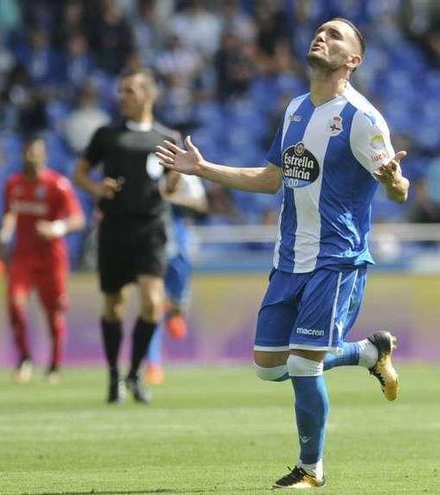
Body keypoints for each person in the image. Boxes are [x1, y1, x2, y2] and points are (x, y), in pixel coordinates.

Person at [155, 18, 407, 489]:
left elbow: (398, 191)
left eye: (336, 36)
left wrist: (394, 181)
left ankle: (312, 469)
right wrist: (202, 168)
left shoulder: (362, 118)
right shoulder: (294, 110)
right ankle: (369, 352)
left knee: (305, 364)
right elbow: (272, 179)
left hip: (336, 258)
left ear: (353, 60)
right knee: (268, 368)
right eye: (320, 31)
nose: (322, 37)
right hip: (290, 259)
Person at [73, 68, 180, 404]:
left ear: (148, 96)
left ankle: (134, 373)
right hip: (115, 228)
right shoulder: (107, 134)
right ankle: (113, 376)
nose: (122, 96)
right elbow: (80, 174)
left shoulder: (167, 138)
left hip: (150, 228)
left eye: (129, 91)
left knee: (151, 302)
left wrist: (176, 179)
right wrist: (96, 188)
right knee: (113, 304)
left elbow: (171, 183)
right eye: (121, 91)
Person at [0, 135, 85, 384]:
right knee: (16, 305)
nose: (30, 157)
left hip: (51, 258)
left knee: (54, 312)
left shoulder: (58, 185)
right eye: (27, 152)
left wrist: (56, 228)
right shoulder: (13, 184)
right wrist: (5, 232)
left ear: (44, 155)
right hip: (23, 256)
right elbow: (9, 214)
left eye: (35, 152)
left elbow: (78, 219)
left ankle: (55, 365)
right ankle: (24, 358)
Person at [146, 173, 208, 385]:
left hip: (179, 250)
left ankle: (176, 312)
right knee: (153, 307)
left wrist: (171, 198)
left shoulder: (187, 177)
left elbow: (201, 204)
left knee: (176, 306)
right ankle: (153, 365)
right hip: (154, 246)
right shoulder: (149, 172)